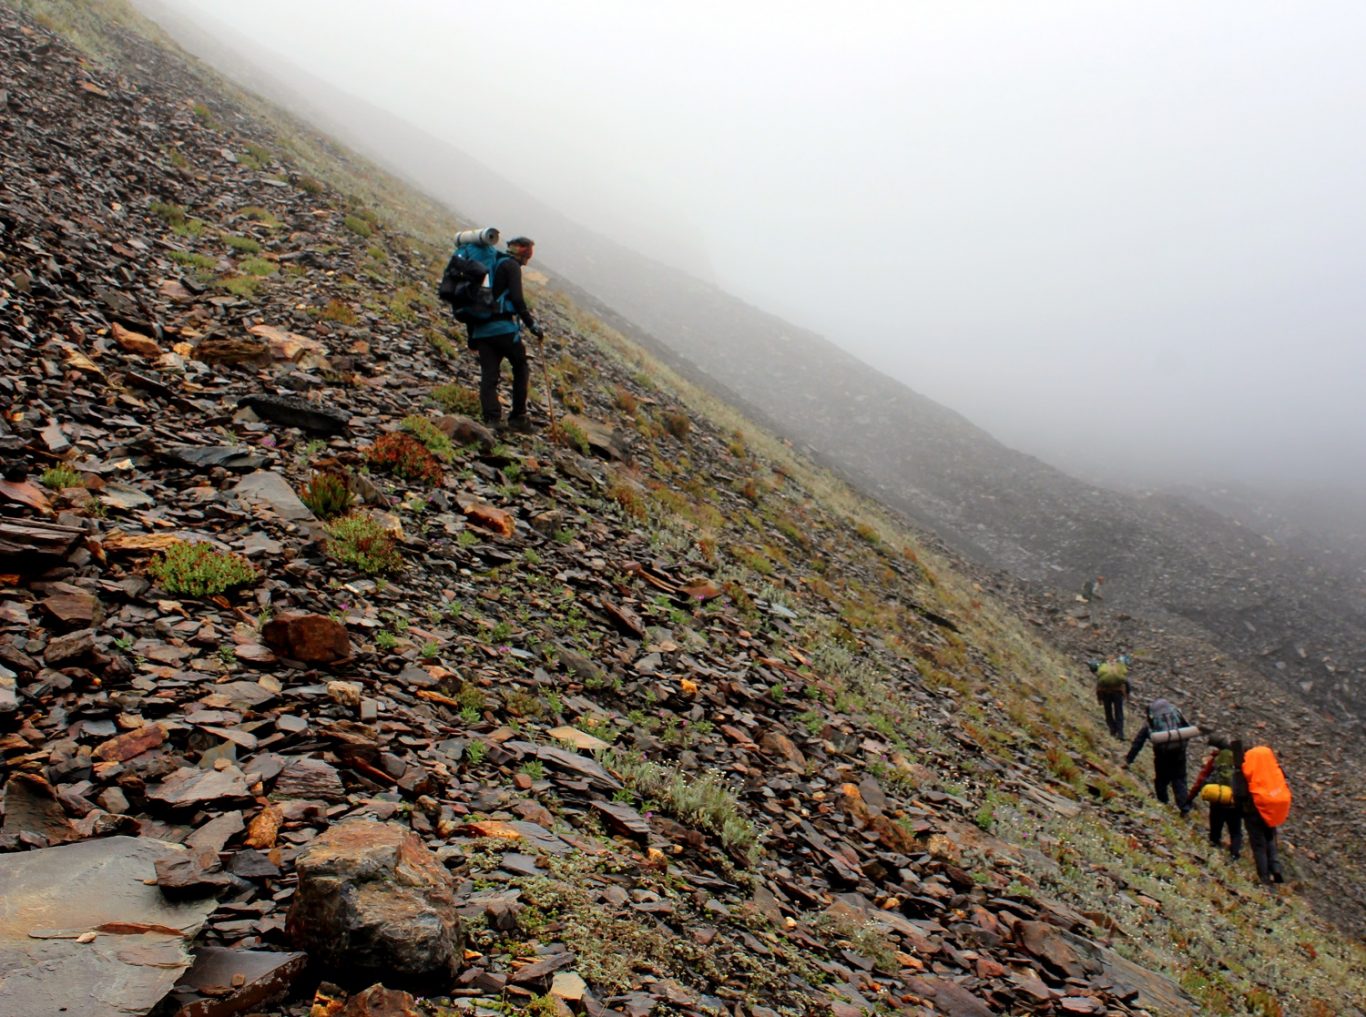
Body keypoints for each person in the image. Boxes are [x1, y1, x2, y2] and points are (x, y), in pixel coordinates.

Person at [467, 236, 543, 431]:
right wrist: (531, 325)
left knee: (489, 375)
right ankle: (518, 417)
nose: (528, 258)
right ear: (523, 251)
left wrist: (472, 337)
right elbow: (517, 299)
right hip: (503, 329)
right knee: (520, 366)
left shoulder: (489, 266)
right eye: (528, 253)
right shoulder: (511, 266)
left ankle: (492, 420)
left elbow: (474, 301)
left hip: (482, 330)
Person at [1122, 697, 1193, 816]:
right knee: (1179, 779)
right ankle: (1184, 809)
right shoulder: (1175, 712)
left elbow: (1139, 742)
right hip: (1179, 753)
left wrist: (1129, 760)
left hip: (1162, 754)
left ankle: (1163, 803)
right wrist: (1182, 746)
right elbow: (1188, 729)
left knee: (1161, 779)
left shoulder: (1152, 718)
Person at [1233, 740, 1289, 887]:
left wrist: (1238, 812)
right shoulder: (1268, 768)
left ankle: (1264, 878)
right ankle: (1276, 868)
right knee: (1270, 838)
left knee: (1259, 845)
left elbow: (1239, 794)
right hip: (1270, 808)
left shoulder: (1243, 770)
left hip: (1253, 812)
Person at [1186, 734, 1243, 860]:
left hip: (1217, 797)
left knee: (1216, 825)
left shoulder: (1217, 758)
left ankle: (1213, 848)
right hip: (1234, 800)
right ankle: (1234, 854)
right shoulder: (1242, 761)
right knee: (1236, 831)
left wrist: (1190, 798)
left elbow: (1202, 778)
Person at [1093, 655, 1130, 739]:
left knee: (1108, 712)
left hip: (1106, 693)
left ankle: (1113, 730)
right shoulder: (1119, 667)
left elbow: (1099, 685)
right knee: (1119, 712)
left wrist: (1099, 698)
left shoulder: (1103, 668)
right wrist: (1127, 694)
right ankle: (1120, 733)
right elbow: (1126, 682)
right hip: (1118, 693)